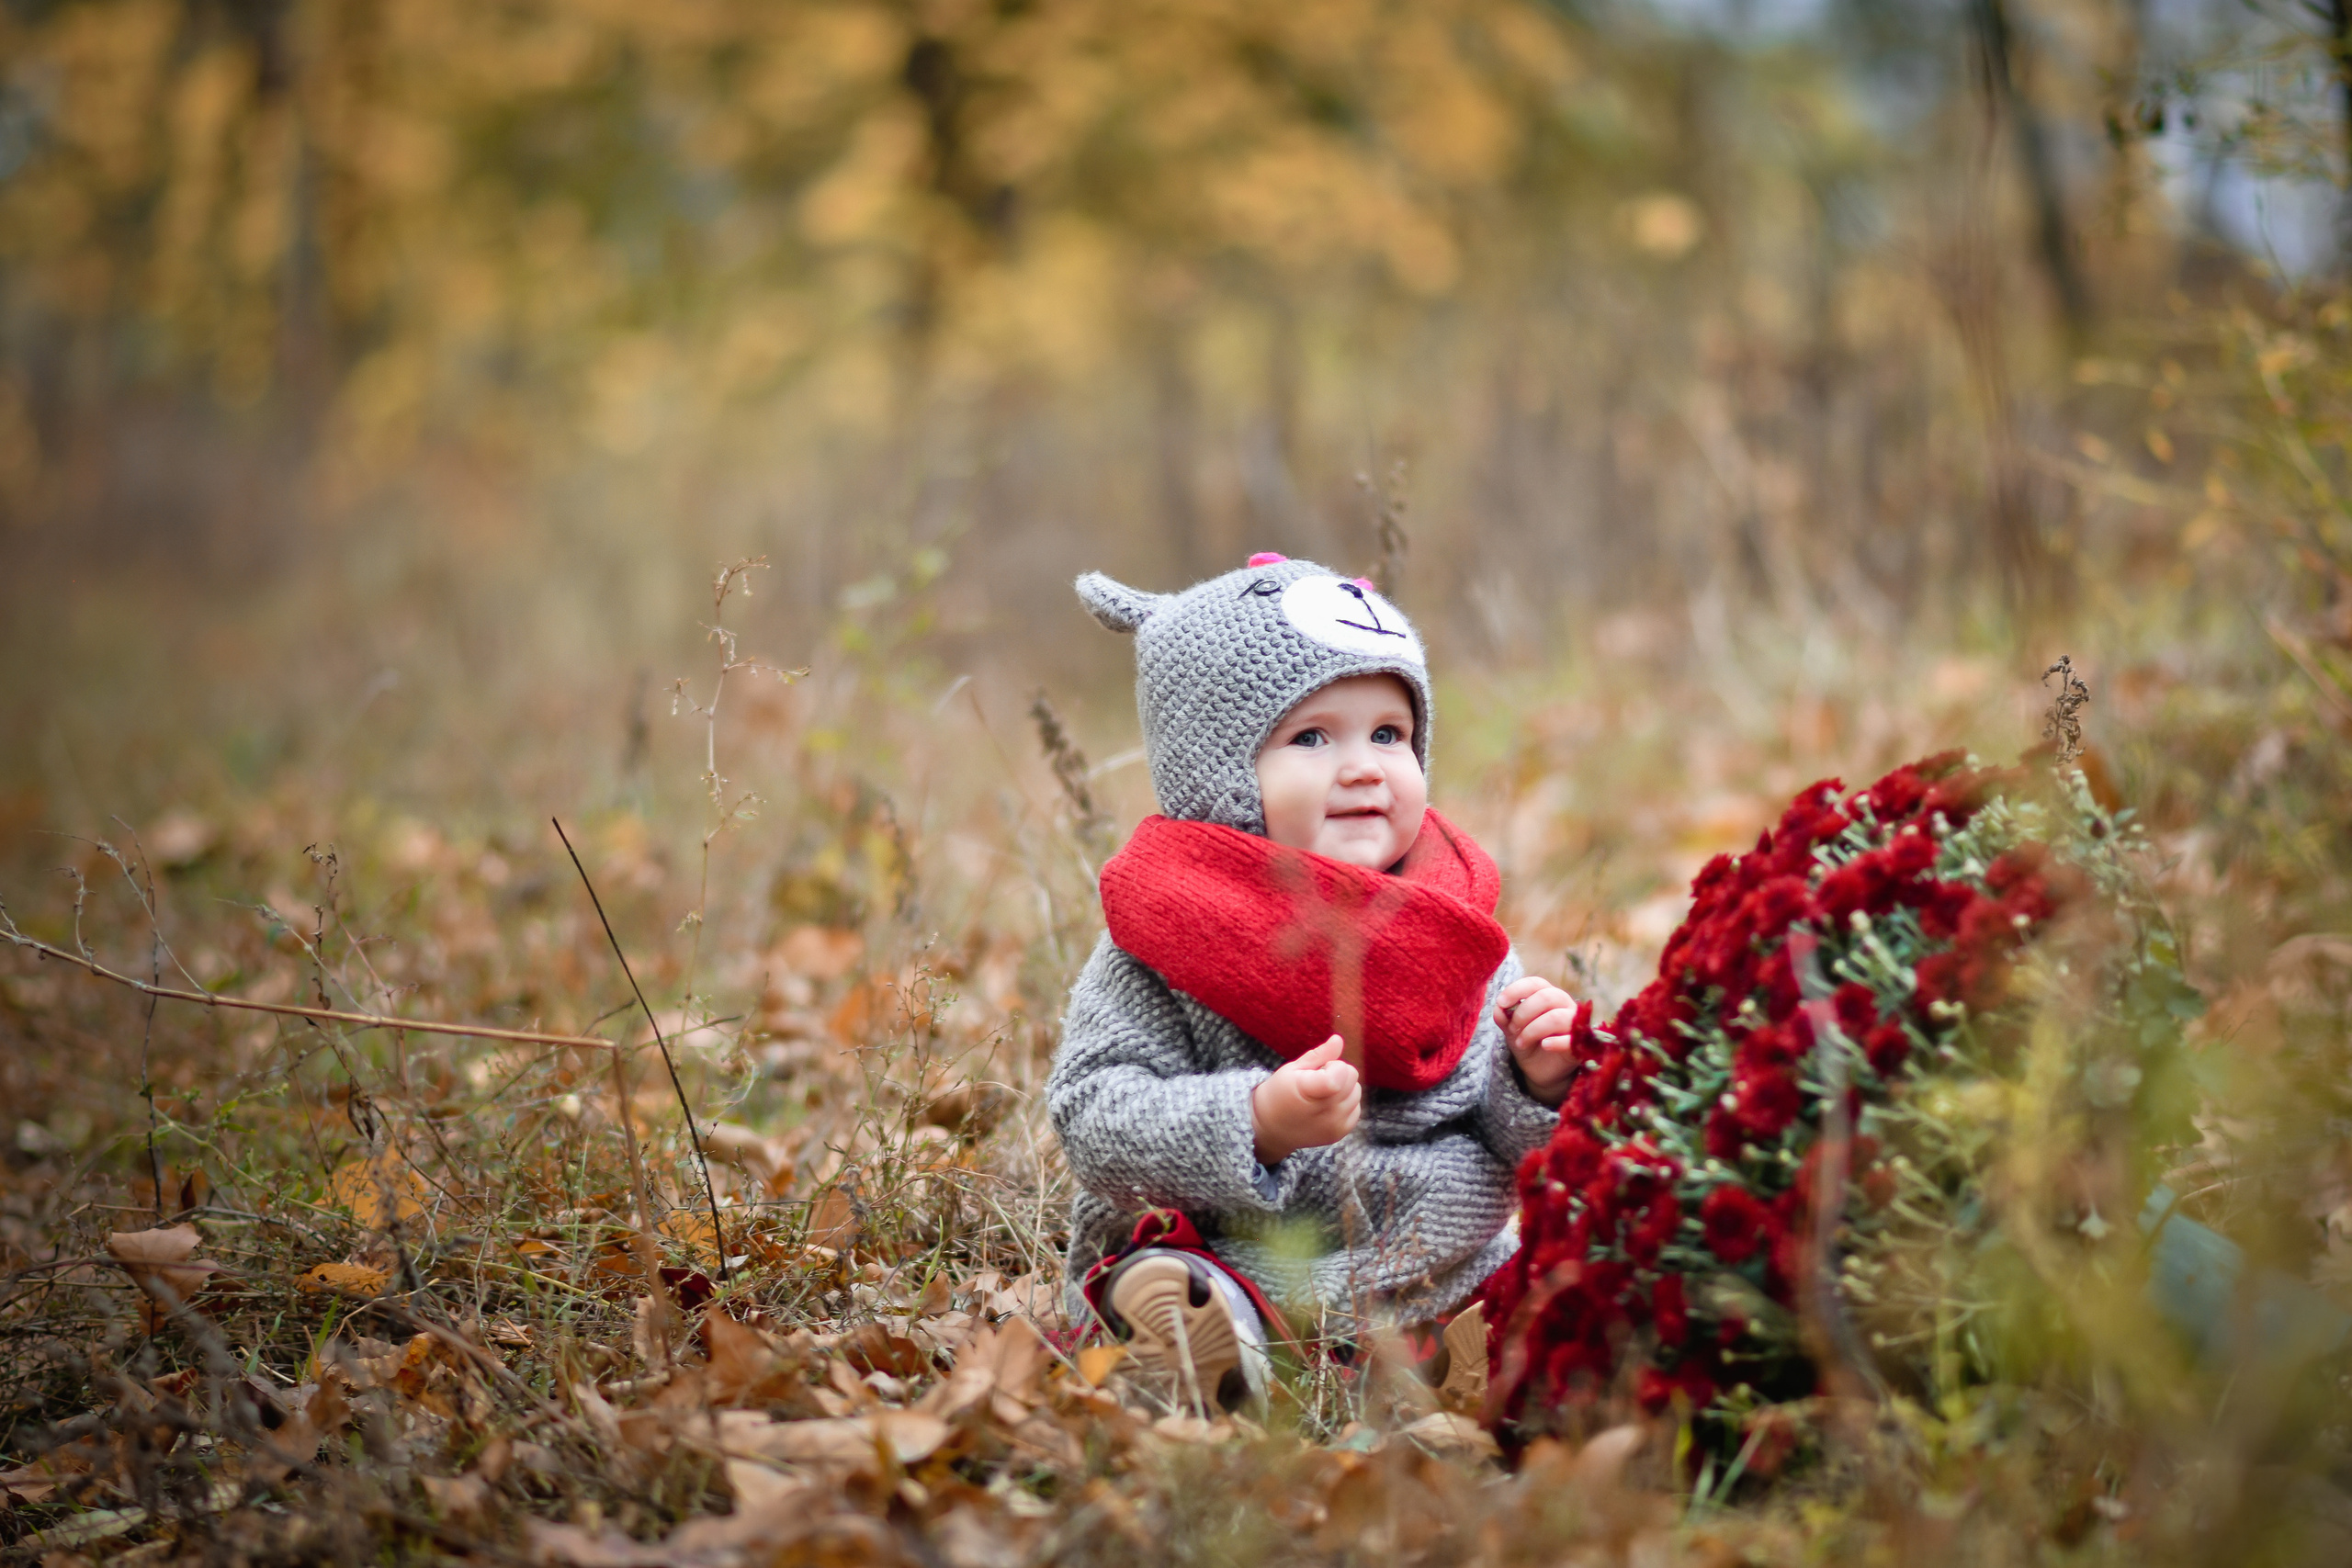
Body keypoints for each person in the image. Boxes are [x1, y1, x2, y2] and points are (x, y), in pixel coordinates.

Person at [1047, 553, 1584, 1412]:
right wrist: (1254, 1122)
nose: (1367, 766)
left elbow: (1509, 1136)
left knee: (1566, 1264)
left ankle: (1465, 1359)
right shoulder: (1162, 943)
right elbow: (1095, 1118)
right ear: (1217, 769)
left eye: (1389, 734)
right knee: (1173, 1274)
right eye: (1311, 737)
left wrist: (1534, 1080)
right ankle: (1208, 1352)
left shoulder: (1448, 929)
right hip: (1248, 1254)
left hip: (1440, 1255)